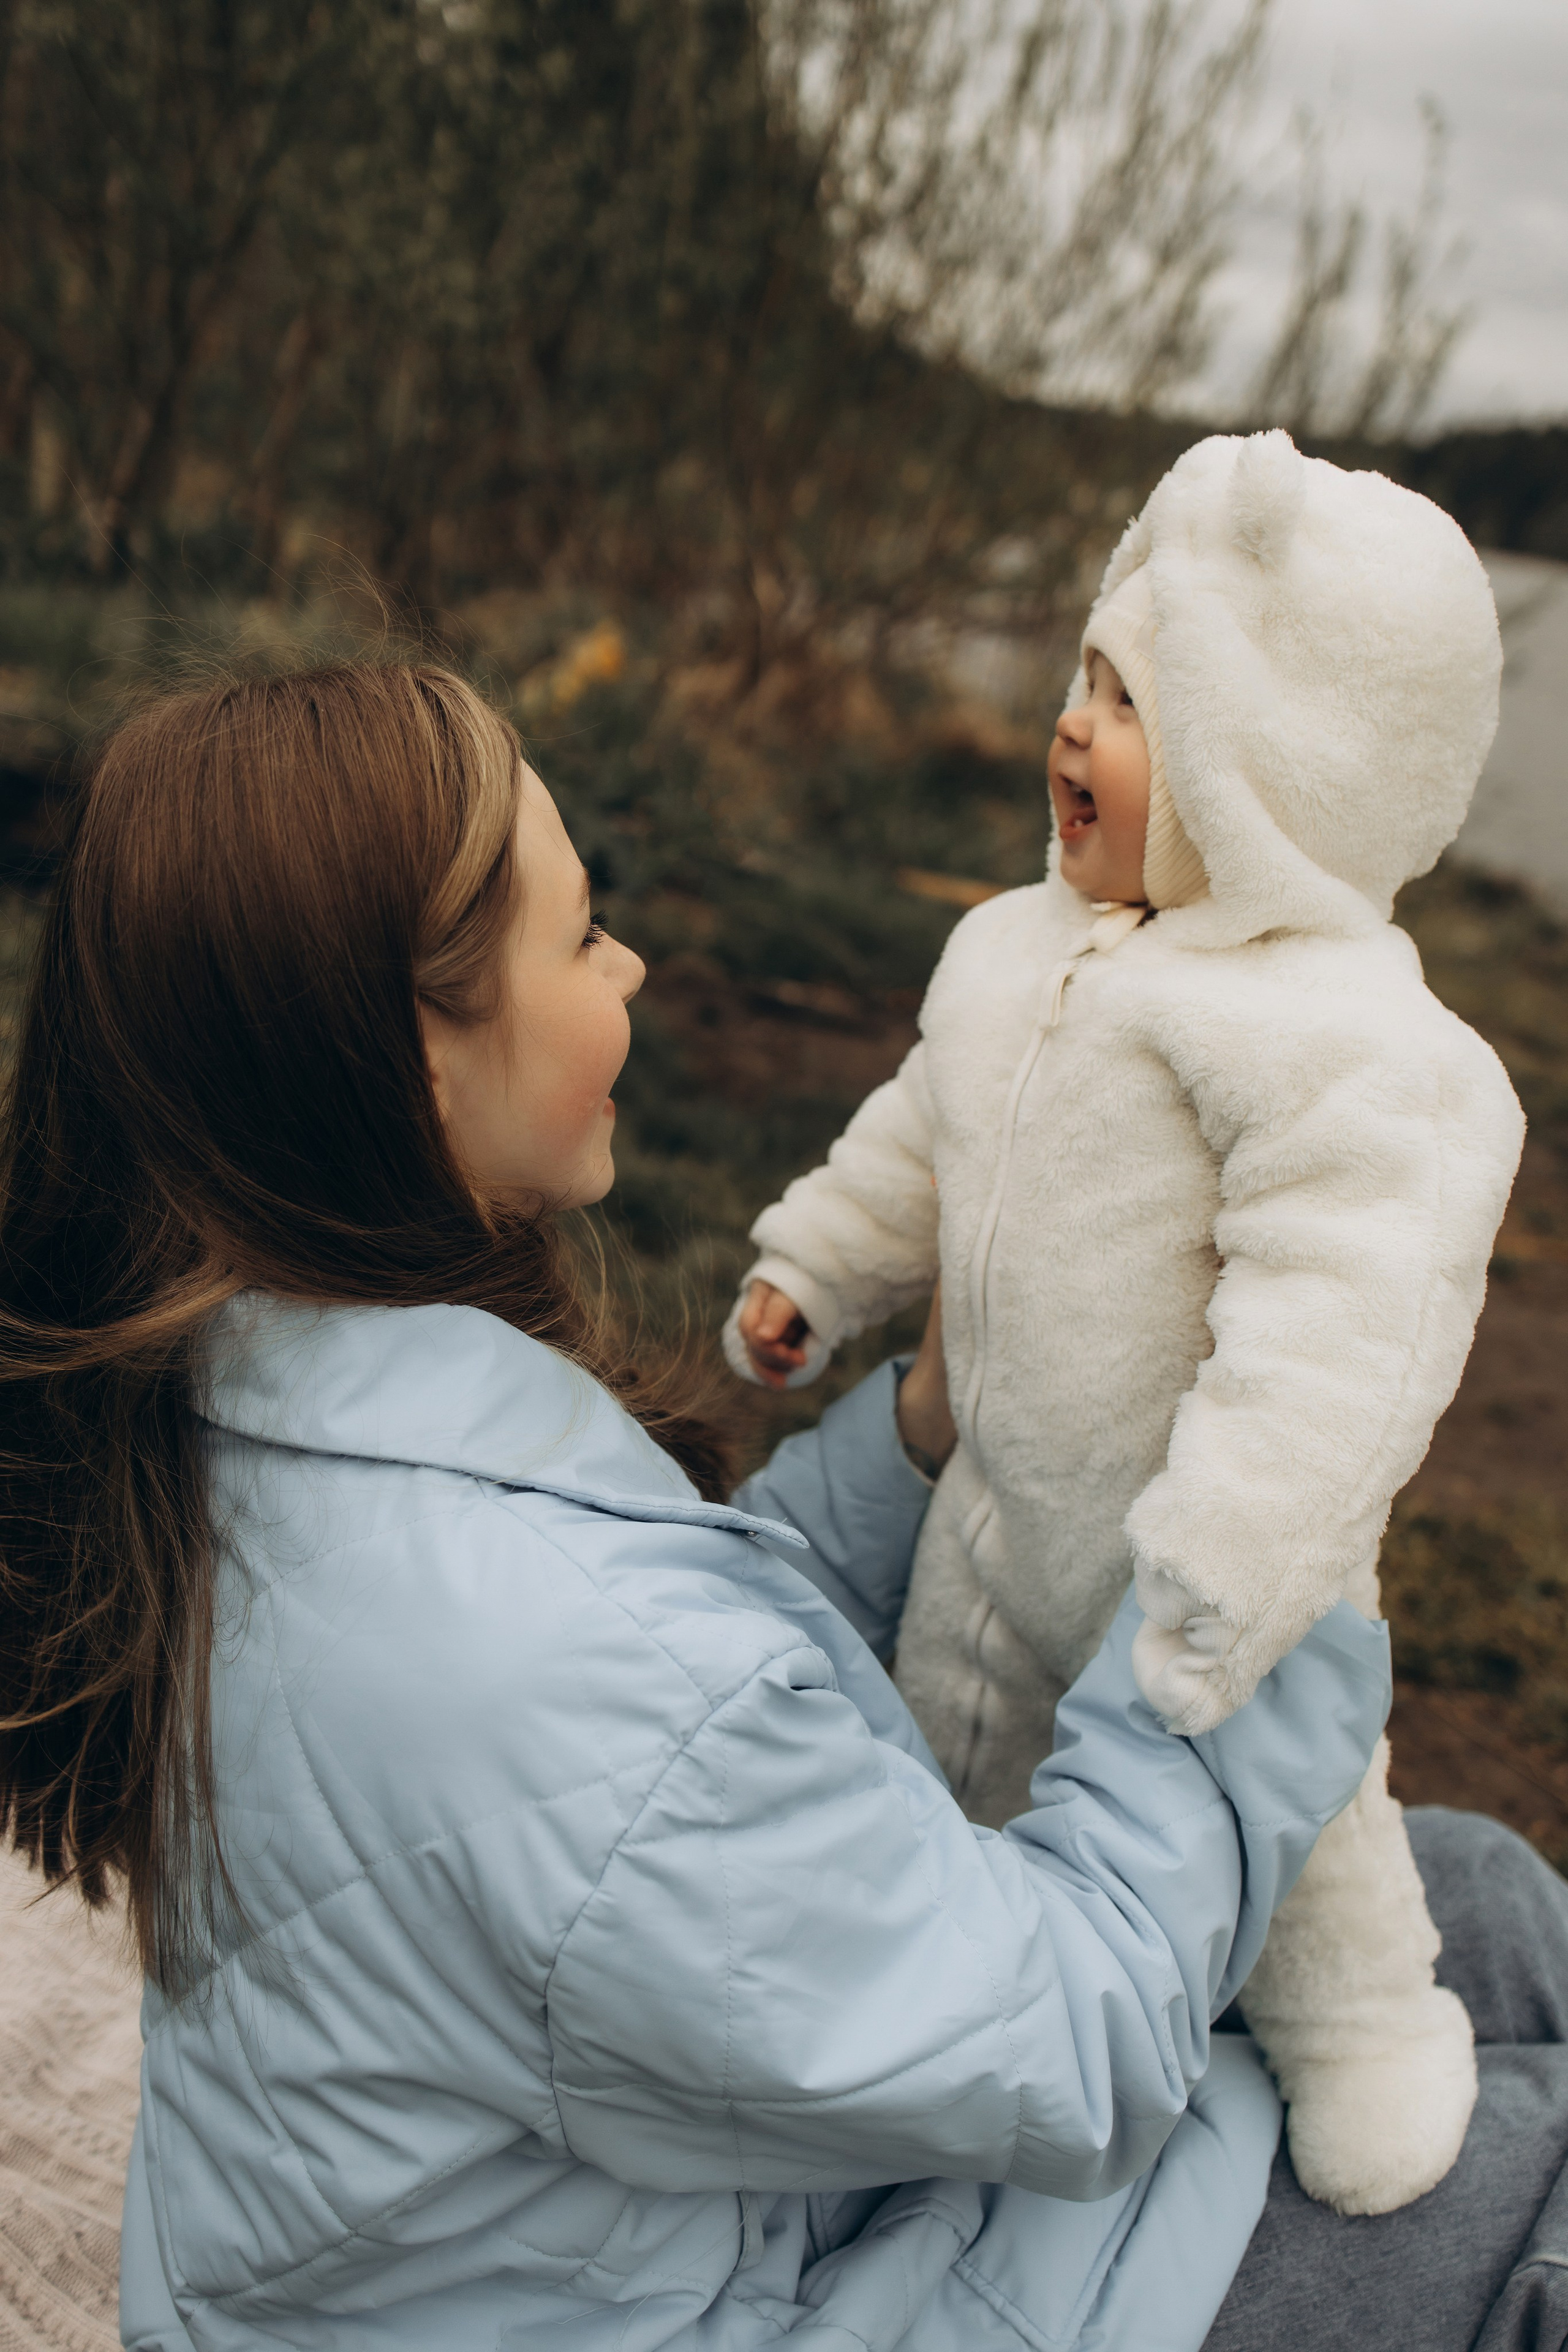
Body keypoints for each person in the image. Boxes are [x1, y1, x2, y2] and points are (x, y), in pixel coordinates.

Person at [0, 661, 1557, 2352]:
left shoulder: (251, 1401)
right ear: (408, 1055)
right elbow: (1073, 2042)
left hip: (574, 2217)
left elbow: (677, 1686)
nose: (635, 969)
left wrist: (914, 1434)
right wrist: (1257, 1580)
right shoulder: (517, 1659)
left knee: (1479, 1895)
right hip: (809, 2298)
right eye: (582, 935)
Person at [726, 430, 1525, 2215]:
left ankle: (1375, 2036)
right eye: (1086, 675)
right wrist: (823, 1269)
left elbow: (1349, 1331)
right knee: (961, 1765)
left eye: (1134, 703)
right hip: (987, 1526)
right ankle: (1004, 2016)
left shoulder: (1339, 1045)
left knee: (1311, 1846)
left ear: (1273, 778)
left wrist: (1231, 1564)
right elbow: (925, 1130)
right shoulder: (1011, 950)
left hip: (1200, 1596)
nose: (1074, 727)